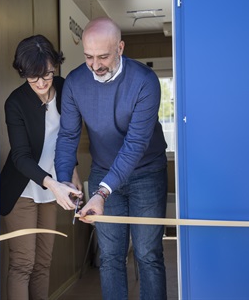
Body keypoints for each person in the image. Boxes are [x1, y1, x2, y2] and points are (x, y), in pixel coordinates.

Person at [54, 17, 168, 300]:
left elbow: (135, 144)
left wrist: (102, 192)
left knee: (147, 253)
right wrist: (65, 178)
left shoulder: (145, 81)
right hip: (104, 171)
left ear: (120, 47)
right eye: (89, 57)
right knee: (111, 256)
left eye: (103, 56)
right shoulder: (75, 83)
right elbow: (68, 135)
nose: (95, 65)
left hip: (147, 172)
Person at [0, 34, 83, 300]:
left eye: (46, 74)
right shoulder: (15, 102)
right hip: (23, 189)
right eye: (33, 77)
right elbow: (21, 157)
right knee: (23, 263)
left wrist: (73, 173)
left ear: (55, 66)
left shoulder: (64, 87)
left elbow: (68, 137)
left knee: (43, 262)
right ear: (23, 72)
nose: (42, 83)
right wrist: (53, 183)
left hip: (53, 188)